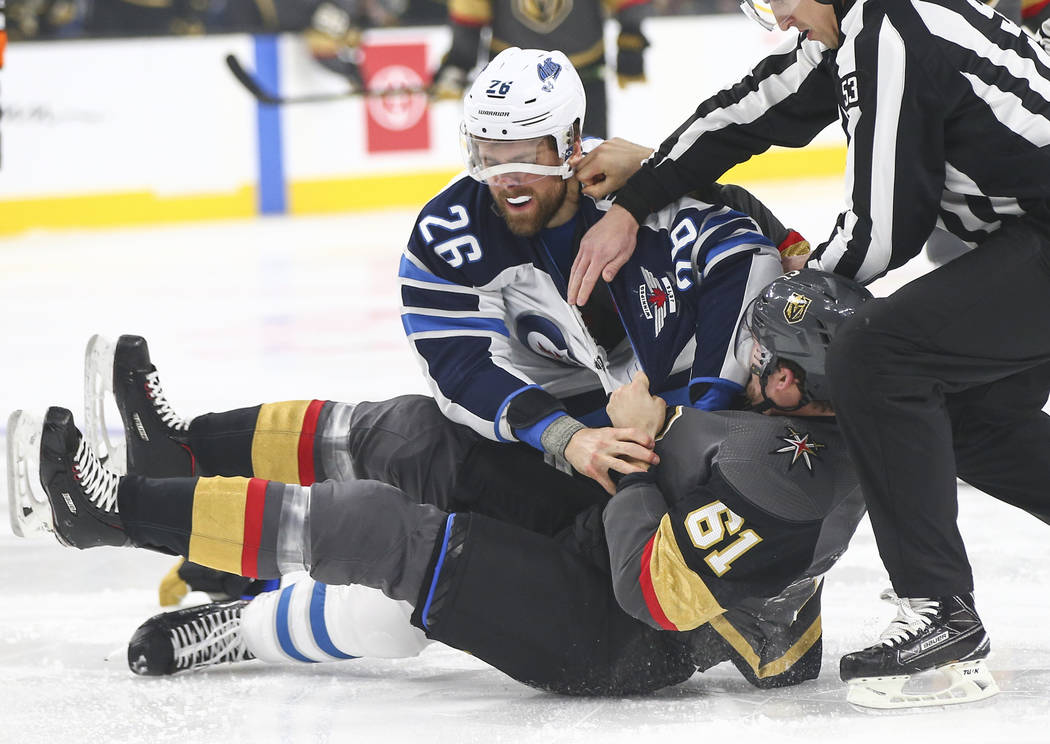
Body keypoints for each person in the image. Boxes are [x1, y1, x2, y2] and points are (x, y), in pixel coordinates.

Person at [13, 270, 873, 696]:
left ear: (796, 387)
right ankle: (182, 459)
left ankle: (124, 524)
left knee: (382, 541)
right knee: (417, 437)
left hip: (616, 630)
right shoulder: (808, 417)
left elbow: (651, 594)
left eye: (763, 357)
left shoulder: (788, 482)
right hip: (621, 510)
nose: (745, 357)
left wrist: (635, 460)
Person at [563, 0, 1050, 709]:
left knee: (877, 358)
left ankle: (939, 610)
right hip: (1029, 238)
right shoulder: (862, 29)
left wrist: (789, 306)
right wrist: (642, 193)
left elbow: (884, 231)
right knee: (967, 416)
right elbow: (749, 109)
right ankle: (941, 604)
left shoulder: (889, 29)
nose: (781, 18)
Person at [403, 46, 797, 494]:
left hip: (676, 401)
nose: (508, 180)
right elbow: (460, 364)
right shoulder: (450, 231)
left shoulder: (636, 185)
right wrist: (564, 437)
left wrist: (707, 413)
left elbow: (740, 252)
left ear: (569, 142)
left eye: (526, 155)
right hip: (559, 424)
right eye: (491, 158)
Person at [428, 0, 650, 138]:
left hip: (582, 77)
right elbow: (470, 15)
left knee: (589, 158)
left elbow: (628, 4)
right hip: (515, 83)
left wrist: (631, 39)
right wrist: (458, 64)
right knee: (516, 160)